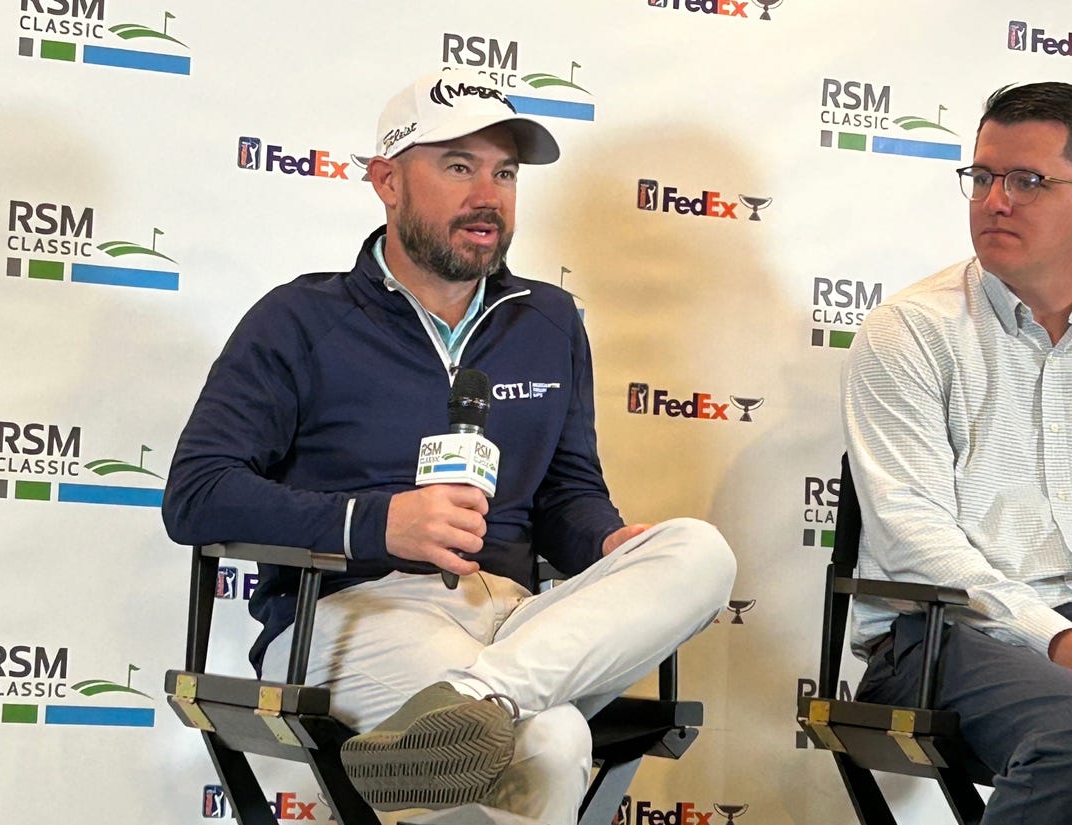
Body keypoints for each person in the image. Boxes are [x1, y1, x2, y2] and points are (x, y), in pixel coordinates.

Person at [161, 68, 736, 825]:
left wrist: (609, 541)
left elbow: (567, 495)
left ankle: (474, 698)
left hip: (515, 622)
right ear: (386, 181)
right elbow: (197, 492)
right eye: (458, 165)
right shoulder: (299, 318)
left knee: (699, 550)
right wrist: (379, 523)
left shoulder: (550, 320)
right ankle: (475, 703)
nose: (487, 195)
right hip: (349, 614)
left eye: (504, 173)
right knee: (554, 738)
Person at [843, 81, 1072, 823]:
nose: (995, 201)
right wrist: (1064, 642)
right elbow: (913, 537)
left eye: (1027, 181)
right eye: (982, 177)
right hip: (941, 634)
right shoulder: (913, 331)